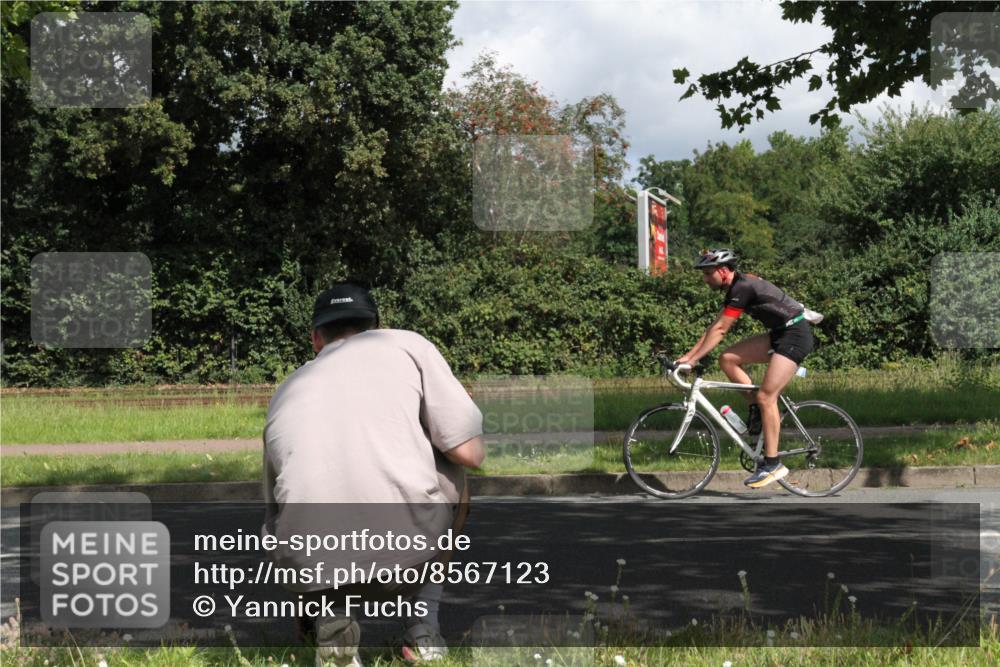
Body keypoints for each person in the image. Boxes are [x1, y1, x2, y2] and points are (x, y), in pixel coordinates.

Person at [262, 282, 485, 666]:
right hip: (408, 557)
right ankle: (423, 630)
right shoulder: (406, 345)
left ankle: (330, 616)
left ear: (316, 338)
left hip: (313, 566)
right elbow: (470, 453)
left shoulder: (287, 388)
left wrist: (304, 600)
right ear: (377, 326)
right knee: (453, 470)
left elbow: (277, 510)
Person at [675, 249, 815, 489]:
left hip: (795, 336)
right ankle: (756, 414)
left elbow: (721, 331)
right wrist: (687, 357)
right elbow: (714, 327)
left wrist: (694, 360)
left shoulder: (743, 288)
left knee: (766, 396)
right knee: (727, 359)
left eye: (708, 274)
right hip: (780, 334)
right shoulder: (736, 287)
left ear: (723, 270)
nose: (706, 279)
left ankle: (773, 463)